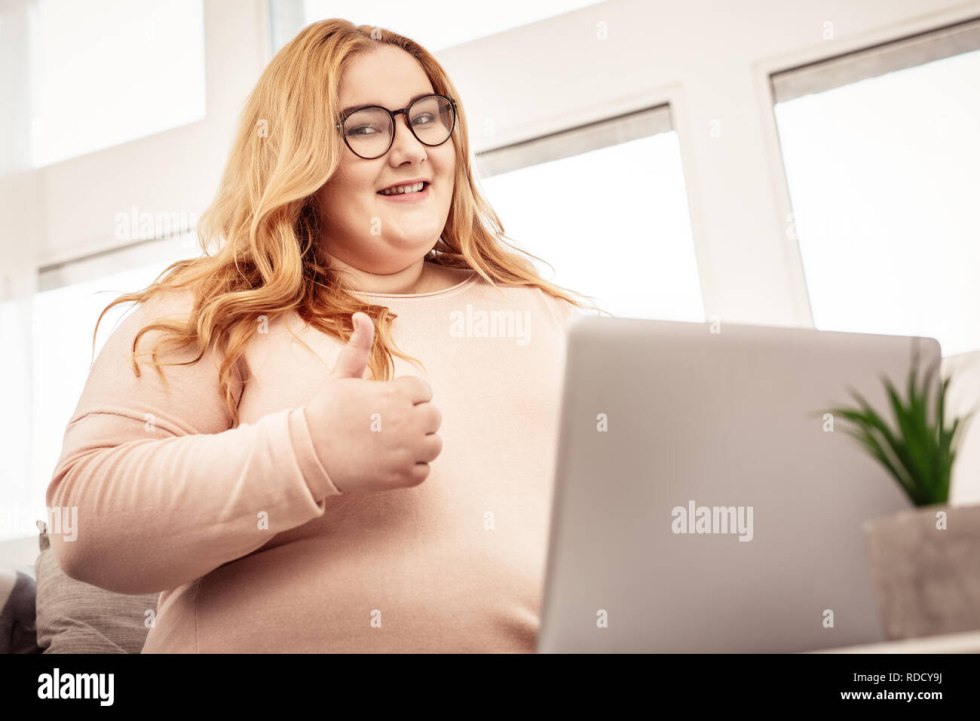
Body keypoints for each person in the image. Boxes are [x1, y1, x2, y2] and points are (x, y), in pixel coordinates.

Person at [45, 19, 600, 653]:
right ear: (296, 156)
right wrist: (309, 451)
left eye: (427, 116)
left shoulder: (545, 318)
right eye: (365, 127)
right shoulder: (214, 310)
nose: (412, 148)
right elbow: (87, 526)